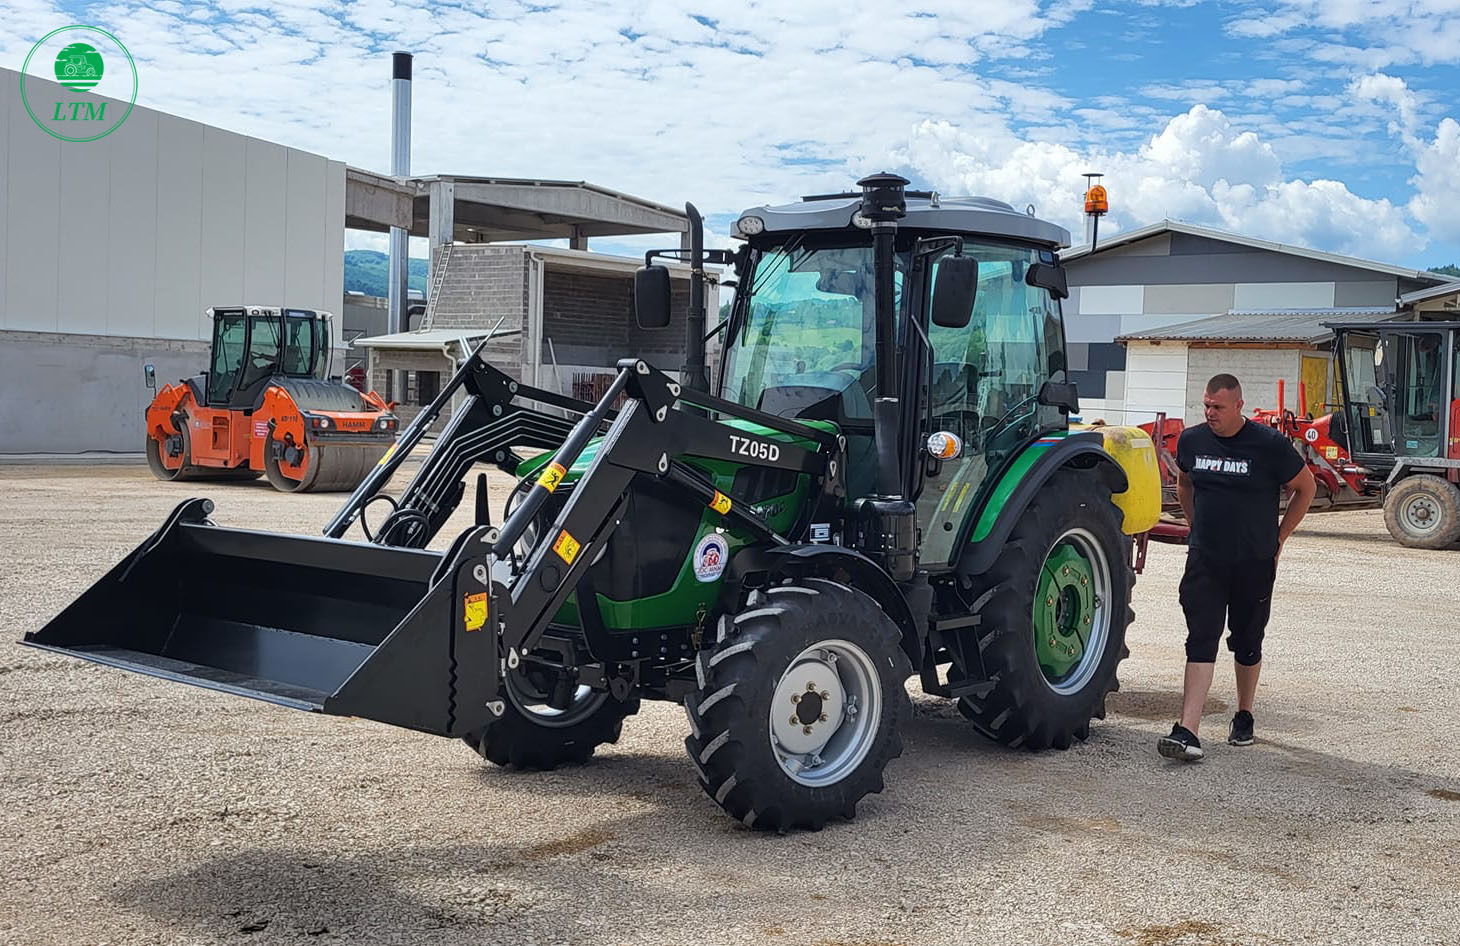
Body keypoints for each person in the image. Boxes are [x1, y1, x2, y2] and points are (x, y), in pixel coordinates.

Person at [1158, 374, 1317, 761]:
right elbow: (1184, 483)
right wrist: (1196, 526)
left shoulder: (1269, 445)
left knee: (1247, 641)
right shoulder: (1193, 440)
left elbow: (1306, 488)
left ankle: (1244, 713)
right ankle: (1187, 730)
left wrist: (1279, 539)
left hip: (1253, 562)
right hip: (1206, 560)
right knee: (1201, 638)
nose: (1210, 413)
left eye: (1218, 407)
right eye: (1206, 406)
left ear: (1238, 406)